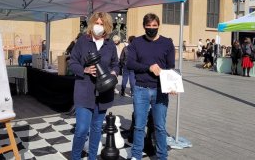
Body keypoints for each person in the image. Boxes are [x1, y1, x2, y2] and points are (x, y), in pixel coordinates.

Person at [68, 12, 119, 160]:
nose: (99, 26)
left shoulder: (110, 45)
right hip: (84, 91)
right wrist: (84, 70)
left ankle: (92, 157)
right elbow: (72, 62)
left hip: (103, 93)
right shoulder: (83, 42)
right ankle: (75, 157)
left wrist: (114, 73)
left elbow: (116, 64)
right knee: (82, 129)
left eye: (102, 24)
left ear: (107, 27)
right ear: (91, 24)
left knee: (96, 129)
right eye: (97, 23)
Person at [127, 13, 175, 160]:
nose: (151, 28)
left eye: (154, 25)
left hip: (160, 90)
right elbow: (130, 63)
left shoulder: (167, 43)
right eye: (148, 26)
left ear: (158, 25)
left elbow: (170, 67)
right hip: (141, 89)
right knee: (139, 126)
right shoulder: (136, 42)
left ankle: (162, 156)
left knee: (160, 127)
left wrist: (172, 85)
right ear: (144, 26)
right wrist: (149, 67)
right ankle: (136, 155)